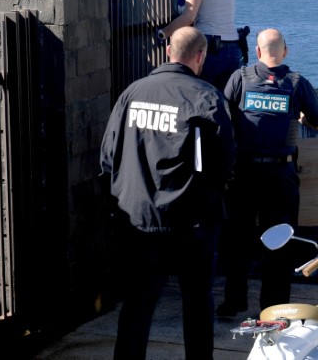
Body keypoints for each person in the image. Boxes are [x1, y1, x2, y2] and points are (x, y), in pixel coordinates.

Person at [100, 26, 236, 360]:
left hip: (140, 220)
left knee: (137, 306)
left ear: (167, 53)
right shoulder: (206, 97)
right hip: (192, 225)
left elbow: (107, 157)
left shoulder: (132, 93)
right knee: (197, 306)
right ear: (201, 57)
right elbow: (225, 163)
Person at [216, 28, 318, 318]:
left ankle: (233, 302)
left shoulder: (240, 78)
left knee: (238, 239)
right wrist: (300, 117)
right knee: (280, 240)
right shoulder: (296, 83)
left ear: (257, 52)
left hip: (243, 173)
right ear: (285, 52)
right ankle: (274, 308)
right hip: (280, 175)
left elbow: (221, 115)